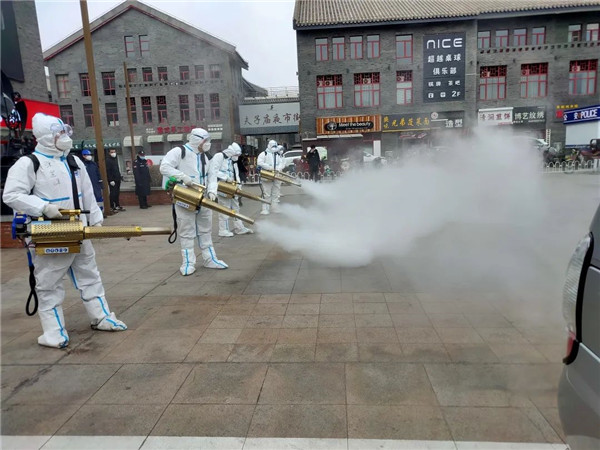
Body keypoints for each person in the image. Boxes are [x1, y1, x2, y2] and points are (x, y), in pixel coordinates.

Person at [2, 113, 127, 348]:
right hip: (50, 232)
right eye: (58, 133)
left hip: (79, 229)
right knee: (49, 283)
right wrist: (43, 207)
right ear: (44, 136)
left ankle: (102, 317)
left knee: (90, 275)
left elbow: (88, 193)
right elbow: (11, 195)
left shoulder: (73, 161)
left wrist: (95, 219)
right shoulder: (29, 163)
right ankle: (54, 332)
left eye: (64, 132)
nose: (63, 137)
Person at [160, 128, 228, 275]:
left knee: (205, 229)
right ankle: (188, 262)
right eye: (205, 141)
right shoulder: (179, 152)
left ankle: (210, 259)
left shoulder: (207, 156)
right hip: (185, 196)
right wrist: (183, 177)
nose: (207, 144)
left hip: (204, 198)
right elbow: (164, 167)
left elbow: (212, 175)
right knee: (187, 230)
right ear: (197, 140)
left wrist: (212, 191)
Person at [209, 142, 253, 237]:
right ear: (231, 152)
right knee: (225, 208)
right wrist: (225, 177)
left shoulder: (233, 161)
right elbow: (212, 171)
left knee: (236, 208)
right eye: (236, 155)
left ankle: (239, 228)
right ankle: (223, 229)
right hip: (222, 186)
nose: (237, 157)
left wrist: (238, 185)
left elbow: (236, 174)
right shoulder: (219, 156)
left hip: (232, 187)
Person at [257, 139, 285, 215]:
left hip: (277, 175)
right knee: (267, 193)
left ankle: (275, 208)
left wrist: (278, 168)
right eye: (272, 146)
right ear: (269, 146)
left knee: (276, 193)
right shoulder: (264, 154)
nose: (274, 148)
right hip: (267, 176)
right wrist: (269, 167)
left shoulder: (277, 155)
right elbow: (259, 163)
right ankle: (265, 209)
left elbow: (282, 163)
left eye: (275, 146)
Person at [106, 148, 125, 213]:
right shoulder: (108, 160)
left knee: (117, 193)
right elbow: (108, 171)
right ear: (109, 153)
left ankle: (117, 205)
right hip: (112, 180)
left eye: (114, 152)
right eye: (112, 152)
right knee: (113, 193)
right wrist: (110, 180)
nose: (113, 153)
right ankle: (112, 206)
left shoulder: (115, 159)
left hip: (117, 179)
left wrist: (120, 176)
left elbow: (117, 169)